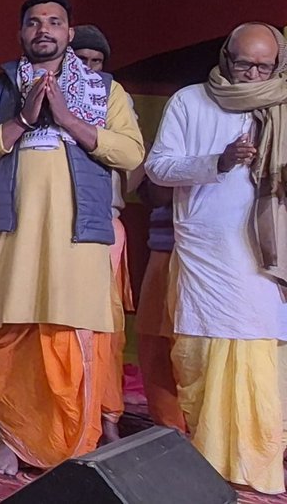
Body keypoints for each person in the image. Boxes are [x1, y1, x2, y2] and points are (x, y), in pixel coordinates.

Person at [0, 0, 145, 475]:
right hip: (13, 237)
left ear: (69, 32)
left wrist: (67, 119)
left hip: (78, 239)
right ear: (22, 33)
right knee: (14, 340)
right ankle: (14, 441)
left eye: (54, 22)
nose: (44, 30)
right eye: (34, 22)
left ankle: (71, 443)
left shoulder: (106, 92)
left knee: (71, 340)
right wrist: (22, 119)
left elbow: (130, 153)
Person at [146, 22, 287, 495]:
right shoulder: (190, 101)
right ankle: (208, 462)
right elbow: (158, 167)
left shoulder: (283, 104)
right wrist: (218, 162)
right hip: (206, 251)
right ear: (227, 57)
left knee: (261, 357)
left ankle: (256, 467)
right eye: (245, 64)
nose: (254, 74)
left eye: (264, 66)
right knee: (203, 356)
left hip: (266, 257)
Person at [72, 23, 135, 442]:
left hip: (104, 224)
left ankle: (107, 414)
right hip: (58, 225)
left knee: (106, 327)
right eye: (83, 59)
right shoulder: (50, 90)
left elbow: (134, 160)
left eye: (97, 61)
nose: (90, 68)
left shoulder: (116, 97)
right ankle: (70, 414)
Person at [134, 181, 184, 432]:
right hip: (165, 247)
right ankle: (169, 432)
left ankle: (208, 435)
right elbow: (154, 193)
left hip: (224, 254)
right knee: (156, 345)